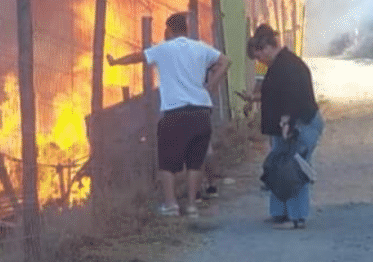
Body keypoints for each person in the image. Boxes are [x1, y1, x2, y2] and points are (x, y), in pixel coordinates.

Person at [108, 12, 231, 218]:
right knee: (195, 162)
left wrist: (116, 62)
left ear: (169, 30)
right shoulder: (200, 47)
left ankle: (171, 204)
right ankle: (192, 206)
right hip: (201, 113)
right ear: (187, 28)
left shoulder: (164, 49)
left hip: (175, 114)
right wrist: (212, 84)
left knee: (166, 162)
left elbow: (137, 57)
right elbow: (226, 61)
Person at [247, 24, 324, 230]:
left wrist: (287, 123)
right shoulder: (280, 64)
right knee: (279, 167)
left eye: (258, 56)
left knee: (294, 170)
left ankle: (296, 217)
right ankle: (280, 213)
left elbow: (293, 98)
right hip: (287, 126)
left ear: (266, 48)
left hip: (300, 125)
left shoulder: (288, 67)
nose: (259, 61)